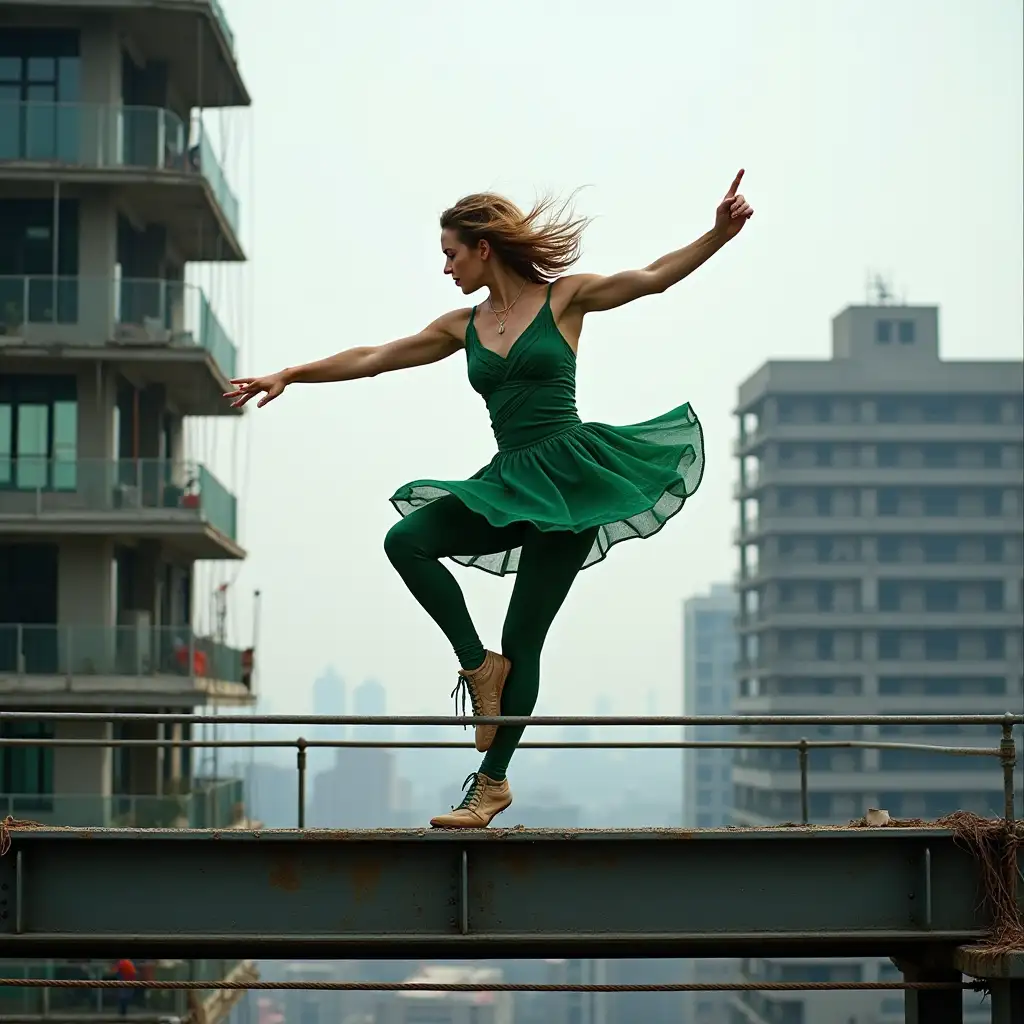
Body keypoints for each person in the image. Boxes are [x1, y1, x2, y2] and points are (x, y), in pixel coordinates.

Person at [225, 171, 754, 829]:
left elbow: (653, 277)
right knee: (407, 540)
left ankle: (491, 785)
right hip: (508, 481)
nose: (445, 266)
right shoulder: (463, 325)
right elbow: (376, 356)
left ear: (483, 247)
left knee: (525, 638)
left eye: (451, 252)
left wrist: (718, 233)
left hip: (569, 483)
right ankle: (478, 667)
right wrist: (290, 375)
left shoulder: (566, 299)